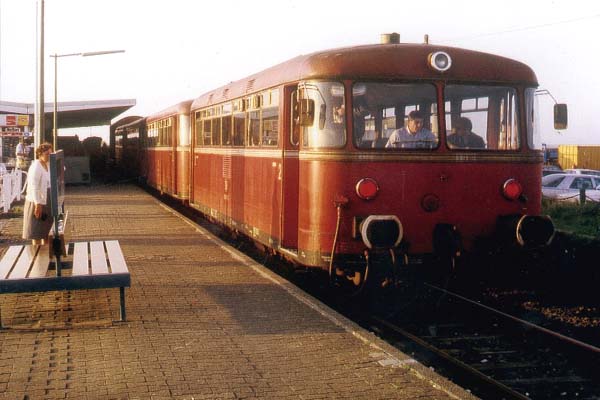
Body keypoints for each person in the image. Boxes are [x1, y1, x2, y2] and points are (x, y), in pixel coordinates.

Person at [22, 142, 54, 245]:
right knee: (36, 231)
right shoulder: (36, 166)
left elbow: (62, 169)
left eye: (51, 154)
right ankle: (36, 254)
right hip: (37, 201)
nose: (49, 156)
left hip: (47, 200)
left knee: (46, 231)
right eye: (47, 154)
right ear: (40, 154)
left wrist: (57, 158)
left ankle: (46, 254)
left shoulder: (49, 164)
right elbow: (34, 186)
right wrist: (37, 204)